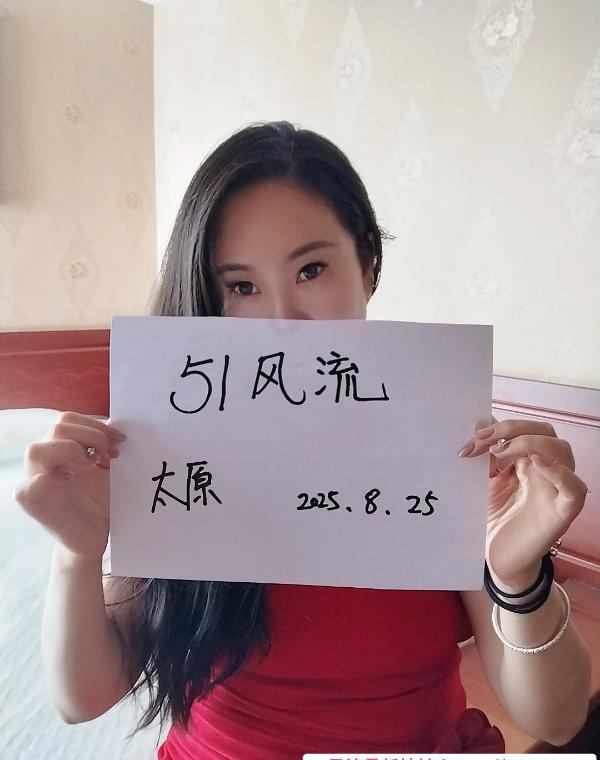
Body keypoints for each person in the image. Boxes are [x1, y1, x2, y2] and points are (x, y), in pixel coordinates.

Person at [15, 121, 591, 758]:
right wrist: (77, 554)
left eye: (311, 270)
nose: (282, 322)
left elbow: (559, 719)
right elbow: (83, 698)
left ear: (368, 264)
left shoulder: (445, 444)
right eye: (242, 287)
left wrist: (519, 578)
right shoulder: (174, 444)